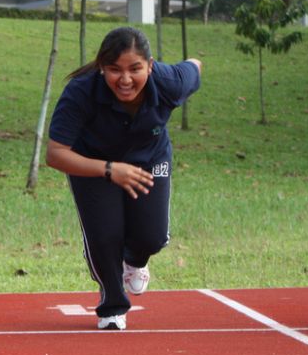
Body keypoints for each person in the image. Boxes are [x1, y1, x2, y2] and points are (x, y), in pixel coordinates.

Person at [46, 26, 201, 330]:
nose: (126, 79)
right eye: (115, 69)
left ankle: (135, 260)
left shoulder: (170, 82)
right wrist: (109, 169)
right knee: (105, 236)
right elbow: (56, 154)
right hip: (93, 162)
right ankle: (113, 305)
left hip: (150, 159)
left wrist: (193, 65)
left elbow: (195, 65)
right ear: (102, 67)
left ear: (150, 66)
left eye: (135, 69)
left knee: (152, 237)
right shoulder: (81, 92)